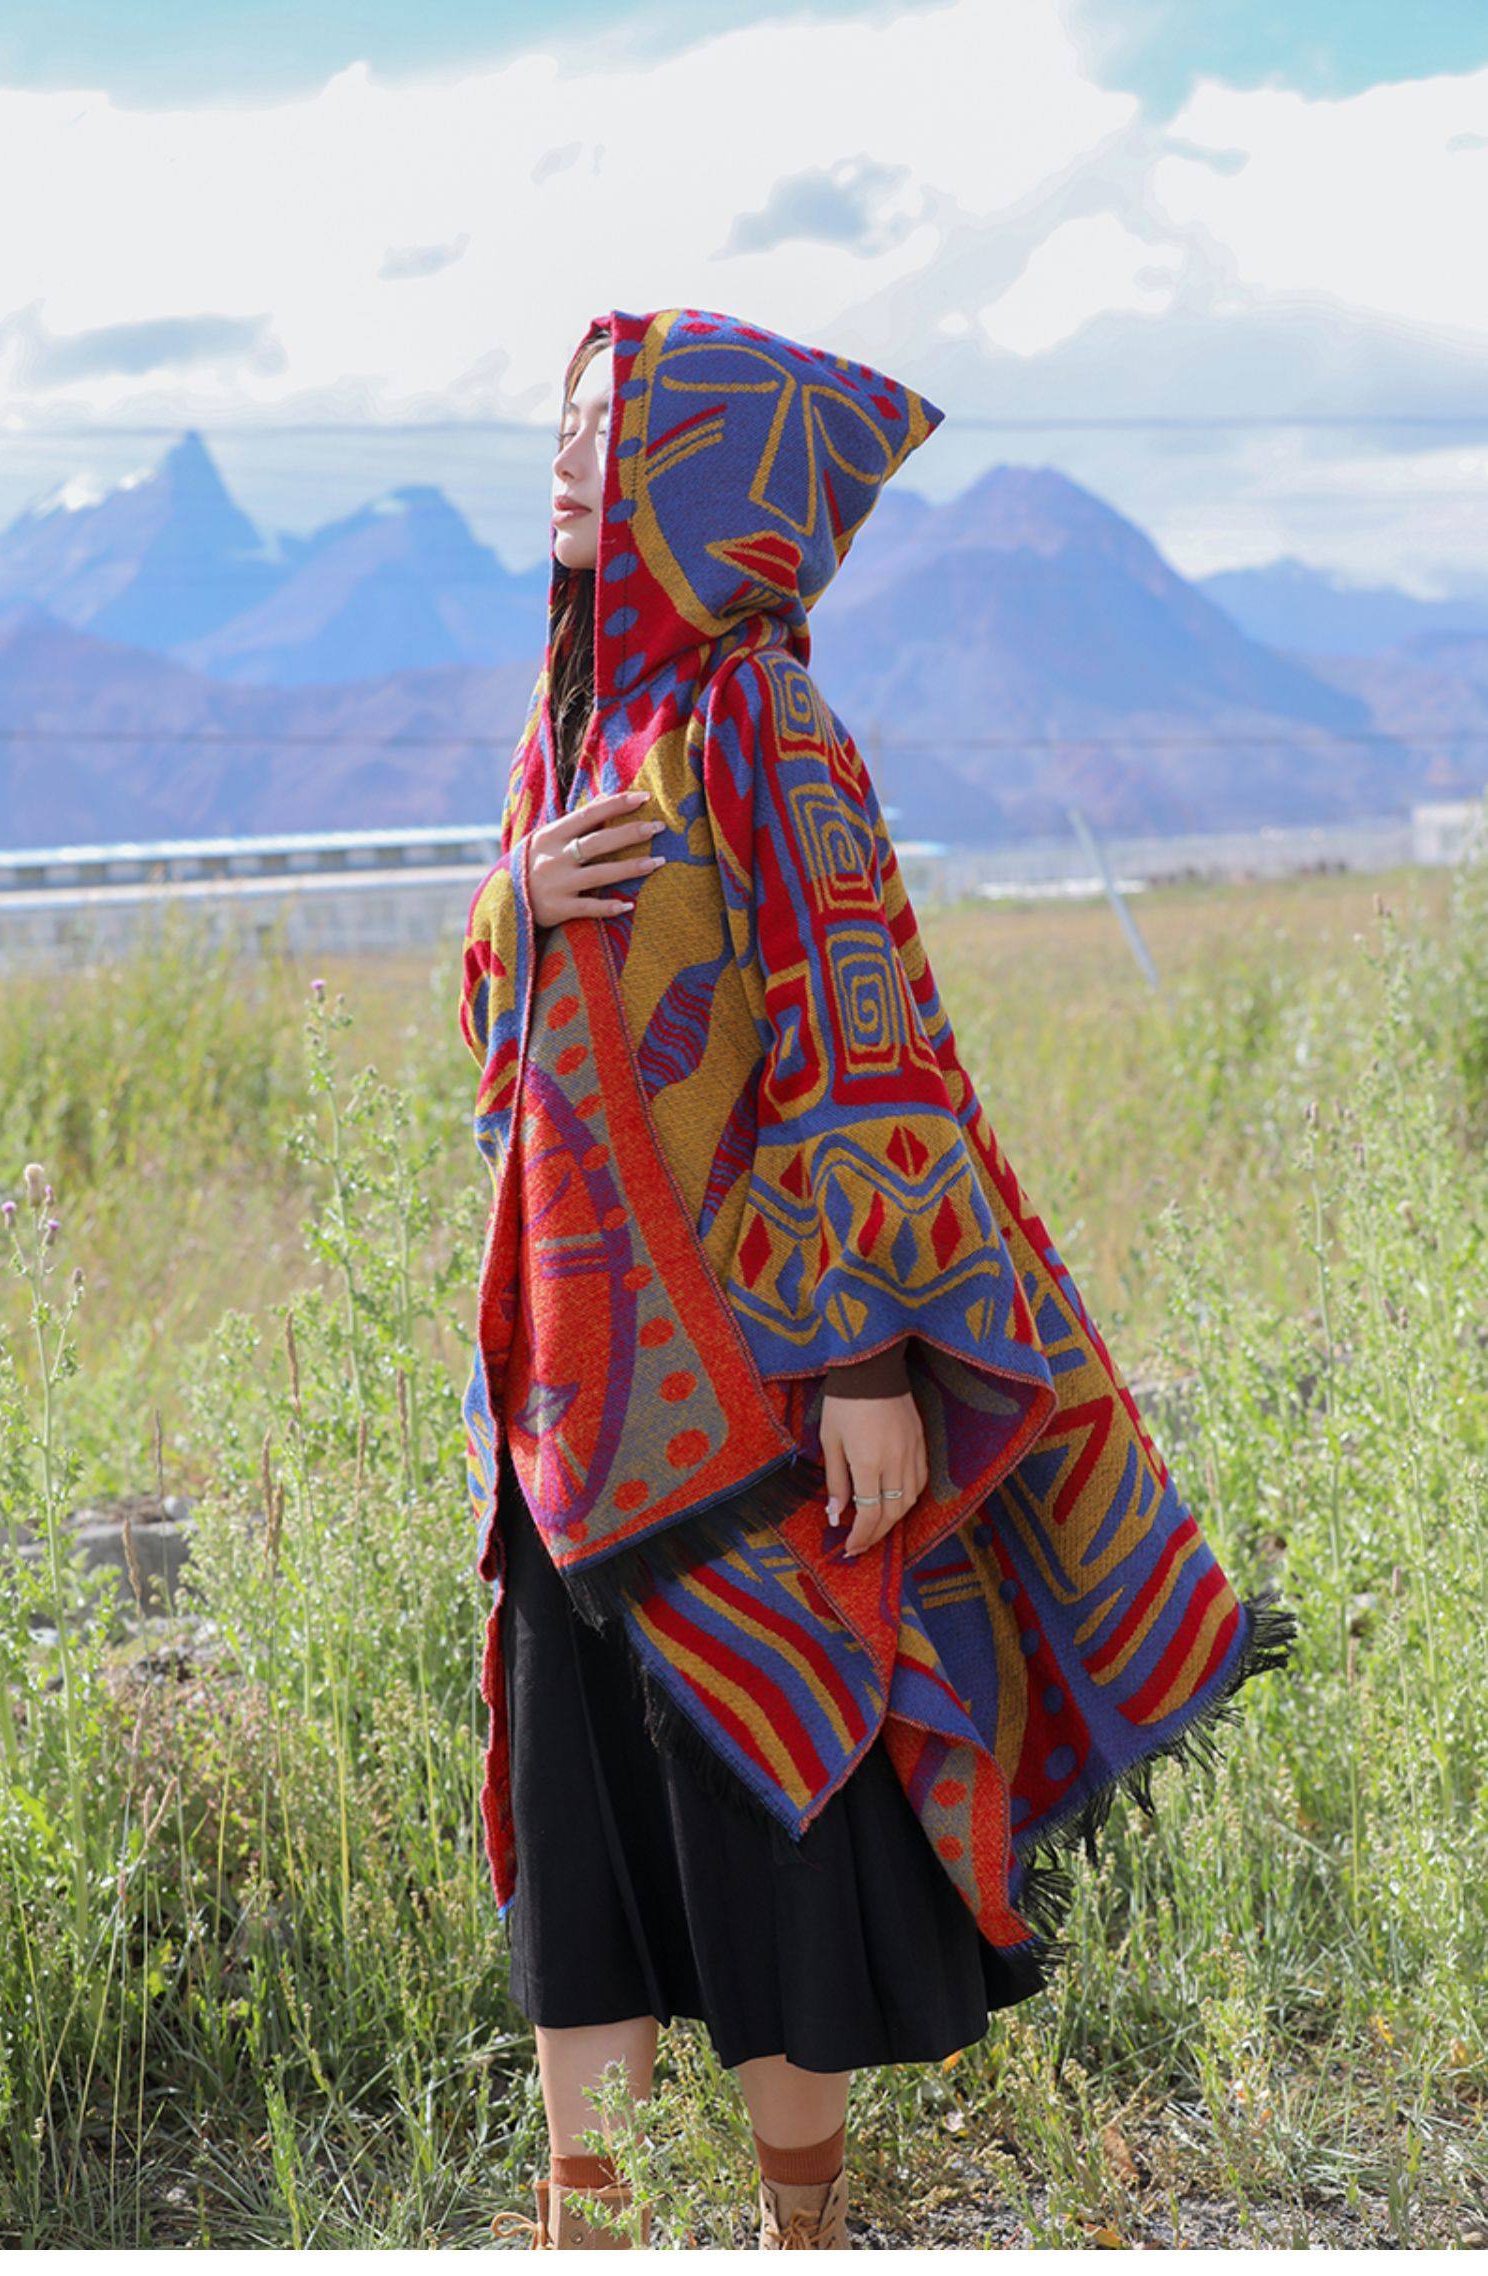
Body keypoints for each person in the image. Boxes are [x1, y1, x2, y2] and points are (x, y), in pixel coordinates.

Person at [464, 308, 1295, 2251]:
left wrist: (867, 1362)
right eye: (565, 420)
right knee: (584, 1844)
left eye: (612, 421)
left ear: (708, 470)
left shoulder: (761, 718)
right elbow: (511, 1058)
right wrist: (512, 905)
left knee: (776, 1819)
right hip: (575, 1397)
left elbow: (864, 1039)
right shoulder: (572, 724)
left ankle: (803, 2232)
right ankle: (583, 2230)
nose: (569, 455)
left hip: (759, 1388)